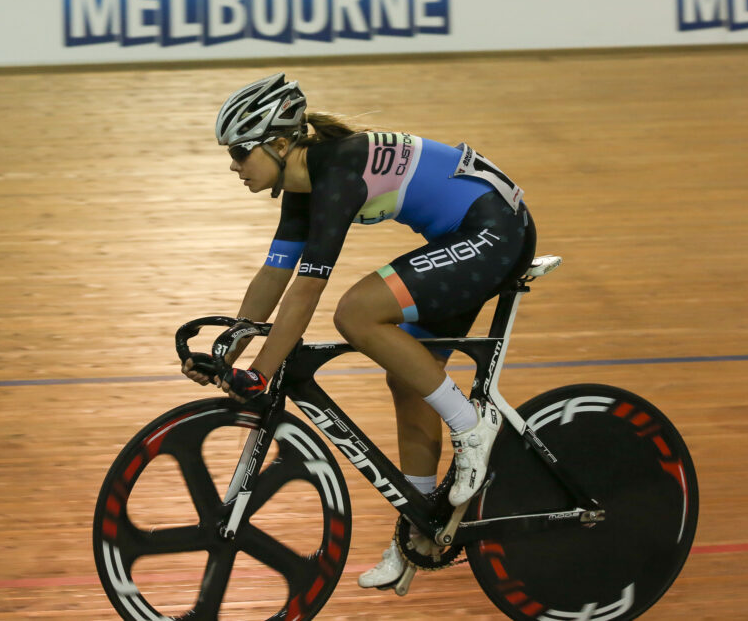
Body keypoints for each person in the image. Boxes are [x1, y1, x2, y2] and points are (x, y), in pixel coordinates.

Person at [182, 72, 537, 589]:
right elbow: (274, 276)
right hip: (465, 236)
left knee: (357, 312)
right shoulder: (301, 181)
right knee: (409, 380)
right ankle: (419, 527)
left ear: (280, 143)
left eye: (240, 153)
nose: (234, 166)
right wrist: (227, 353)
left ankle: (473, 427)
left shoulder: (339, 172)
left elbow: (307, 291)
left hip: (494, 231)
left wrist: (260, 373)